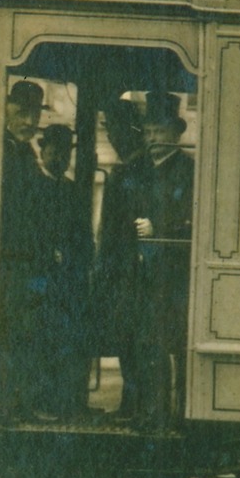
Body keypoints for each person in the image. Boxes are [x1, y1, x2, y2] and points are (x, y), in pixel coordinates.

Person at [133, 91, 195, 430]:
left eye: (160, 131)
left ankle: (179, 415)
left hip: (175, 274)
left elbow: (192, 218)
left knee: (177, 344)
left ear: (176, 133)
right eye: (148, 132)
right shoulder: (138, 170)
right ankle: (148, 412)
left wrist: (160, 227)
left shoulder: (189, 170)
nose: (153, 139)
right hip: (143, 274)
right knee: (145, 344)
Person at [0, 80, 51, 420]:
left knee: (28, 333)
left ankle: (20, 404)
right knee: (13, 335)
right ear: (5, 110)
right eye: (20, 113)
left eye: (33, 115)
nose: (28, 121)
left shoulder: (25, 153)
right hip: (7, 263)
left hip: (26, 263)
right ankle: (11, 406)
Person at [93, 100, 149, 421]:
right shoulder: (126, 169)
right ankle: (132, 403)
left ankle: (134, 405)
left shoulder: (136, 170)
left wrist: (106, 264)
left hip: (130, 268)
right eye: (108, 129)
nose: (112, 135)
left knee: (131, 336)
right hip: (120, 267)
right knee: (126, 335)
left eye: (115, 128)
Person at [32, 124, 89, 417]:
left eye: (65, 153)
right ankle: (44, 403)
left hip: (68, 280)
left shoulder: (71, 189)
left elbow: (82, 235)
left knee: (69, 341)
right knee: (43, 343)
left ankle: (69, 404)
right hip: (40, 280)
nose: (60, 158)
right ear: (42, 151)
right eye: (54, 150)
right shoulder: (32, 186)